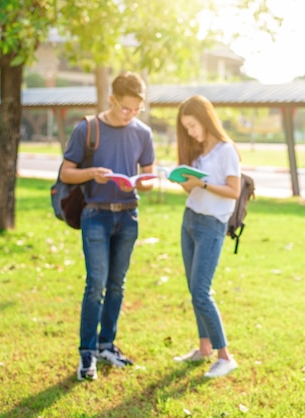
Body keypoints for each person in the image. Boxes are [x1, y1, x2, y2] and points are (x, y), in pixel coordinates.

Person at [60, 71, 155, 381]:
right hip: (95, 215)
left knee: (117, 284)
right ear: (112, 100)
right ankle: (86, 352)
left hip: (128, 216)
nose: (130, 115)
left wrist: (142, 183)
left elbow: (149, 178)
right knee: (96, 284)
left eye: (136, 109)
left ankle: (106, 345)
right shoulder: (87, 129)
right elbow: (66, 173)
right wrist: (92, 174)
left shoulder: (143, 133)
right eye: (125, 108)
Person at [171, 95, 241, 378]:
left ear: (205, 119)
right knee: (193, 289)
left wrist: (202, 182)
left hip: (212, 226)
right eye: (186, 127)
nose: (190, 131)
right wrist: (185, 181)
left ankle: (225, 356)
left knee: (201, 292)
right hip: (190, 221)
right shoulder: (200, 154)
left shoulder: (226, 151)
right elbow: (194, 191)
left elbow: (233, 191)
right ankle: (204, 348)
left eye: (192, 125)